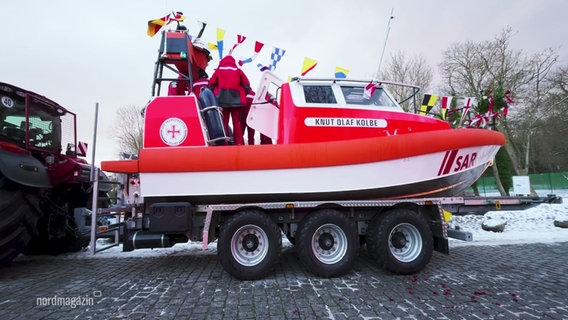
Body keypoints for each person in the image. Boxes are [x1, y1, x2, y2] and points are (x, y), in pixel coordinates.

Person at [208, 55, 251, 145]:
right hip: (237, 101)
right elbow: (247, 85)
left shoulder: (218, 71)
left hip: (222, 101)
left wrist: (214, 95)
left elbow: (211, 84)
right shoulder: (238, 71)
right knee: (237, 123)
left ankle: (225, 143)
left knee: (224, 123)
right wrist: (242, 94)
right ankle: (239, 143)